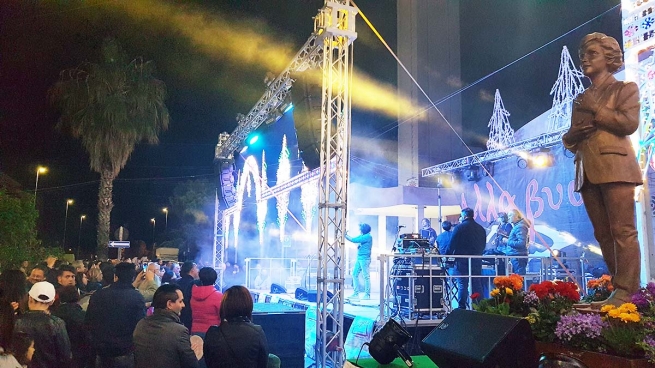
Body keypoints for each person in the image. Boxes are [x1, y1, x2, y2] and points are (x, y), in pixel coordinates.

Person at [562, 32, 642, 306]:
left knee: (623, 231)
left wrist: (596, 108)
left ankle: (627, 291)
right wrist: (572, 134)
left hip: (616, 166)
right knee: (603, 234)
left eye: (592, 54)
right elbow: (570, 141)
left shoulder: (624, 89)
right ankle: (616, 291)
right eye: (582, 55)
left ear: (609, 59)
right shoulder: (579, 98)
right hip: (587, 170)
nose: (584, 59)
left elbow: (628, 123)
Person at [85, 262, 145, 368]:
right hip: (124, 350)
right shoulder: (137, 297)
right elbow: (140, 325)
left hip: (102, 350)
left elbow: (89, 321)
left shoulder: (98, 295)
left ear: (115, 276)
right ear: (132, 278)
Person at [133, 284, 198, 368]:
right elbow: (191, 364)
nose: (183, 305)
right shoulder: (179, 331)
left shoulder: (141, 324)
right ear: (169, 304)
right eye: (180, 301)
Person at [204, 286, 269, 368]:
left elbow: (208, 362)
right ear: (248, 305)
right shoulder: (256, 332)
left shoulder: (212, 333)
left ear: (224, 305)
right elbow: (263, 363)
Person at [13, 282, 72, 368]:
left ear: (30, 298)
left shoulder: (16, 321)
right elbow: (65, 355)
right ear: (52, 301)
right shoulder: (57, 323)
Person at [443, 208, 486, 309]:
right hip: (476, 260)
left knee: (462, 284)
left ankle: (461, 308)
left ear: (464, 216)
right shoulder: (481, 228)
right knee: (477, 283)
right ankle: (481, 308)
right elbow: (483, 245)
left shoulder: (459, 228)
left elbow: (452, 244)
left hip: (462, 260)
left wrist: (447, 256)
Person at [51, 286, 92, 368]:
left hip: (58, 355)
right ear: (77, 297)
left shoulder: (53, 315)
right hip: (79, 354)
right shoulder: (83, 315)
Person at [191, 267, 223, 337]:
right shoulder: (218, 296)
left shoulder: (193, 293)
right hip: (213, 331)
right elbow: (222, 315)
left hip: (195, 330)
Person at [345, 223, 373, 300]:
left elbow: (354, 240)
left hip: (364, 259)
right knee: (354, 274)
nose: (359, 230)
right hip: (360, 258)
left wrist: (345, 235)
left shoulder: (367, 236)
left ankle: (367, 295)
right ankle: (356, 293)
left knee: (366, 277)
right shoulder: (364, 236)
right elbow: (356, 239)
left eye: (360, 228)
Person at [498, 209, 530, 275]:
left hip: (518, 257)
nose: (508, 217)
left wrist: (507, 241)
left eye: (510, 215)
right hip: (516, 256)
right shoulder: (517, 226)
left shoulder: (520, 227)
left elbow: (521, 243)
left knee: (519, 278)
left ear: (516, 216)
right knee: (517, 278)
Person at [177, 261, 200, 330]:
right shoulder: (194, 284)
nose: (198, 271)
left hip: (178, 313)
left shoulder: (177, 282)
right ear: (192, 270)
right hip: (190, 315)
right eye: (196, 268)